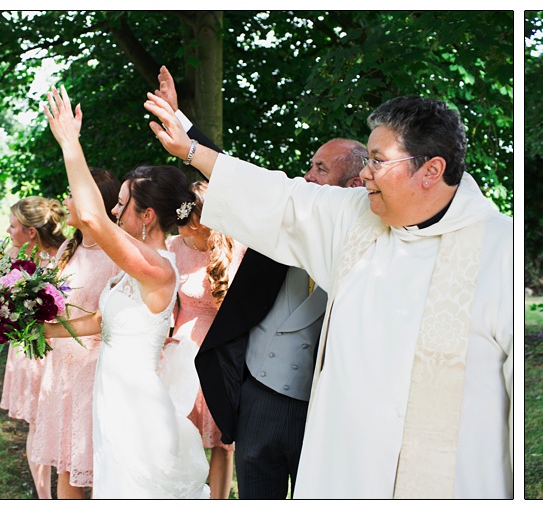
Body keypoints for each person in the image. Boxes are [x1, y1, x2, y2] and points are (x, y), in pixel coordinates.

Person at [144, 92, 514, 498]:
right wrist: (192, 148)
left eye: (378, 159)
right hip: (344, 474)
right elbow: (279, 198)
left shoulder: (499, 251)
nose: (366, 173)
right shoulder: (354, 218)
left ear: (431, 170)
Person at [151, 66, 370, 499]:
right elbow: (242, 181)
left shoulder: (369, 233)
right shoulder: (285, 215)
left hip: (328, 407)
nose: (306, 177)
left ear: (354, 184)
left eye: (320, 169)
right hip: (260, 396)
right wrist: (185, 129)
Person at [42, 86, 209, 498]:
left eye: (121, 205)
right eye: (115, 205)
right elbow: (102, 322)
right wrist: (39, 327)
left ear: (147, 216)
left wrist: (70, 143)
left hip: (138, 411)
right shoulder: (129, 272)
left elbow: (91, 218)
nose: (115, 211)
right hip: (112, 400)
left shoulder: (157, 268)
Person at [29, 168, 123, 499]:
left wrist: (51, 330)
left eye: (71, 194)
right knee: (66, 466)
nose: (64, 201)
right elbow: (48, 300)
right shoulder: (68, 246)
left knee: (97, 465)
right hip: (62, 370)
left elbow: (108, 318)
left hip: (95, 371)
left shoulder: (117, 251)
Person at [167, 179, 248, 499]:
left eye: (188, 225)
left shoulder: (236, 247)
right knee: (178, 438)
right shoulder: (174, 247)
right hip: (182, 352)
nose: (182, 230)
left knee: (222, 443)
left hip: (224, 354)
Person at [0, 196, 67, 498]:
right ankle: (44, 497)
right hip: (27, 351)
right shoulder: (10, 257)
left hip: (61, 348)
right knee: (37, 424)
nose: (8, 231)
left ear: (31, 231)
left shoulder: (66, 253)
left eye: (13, 226)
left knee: (62, 421)